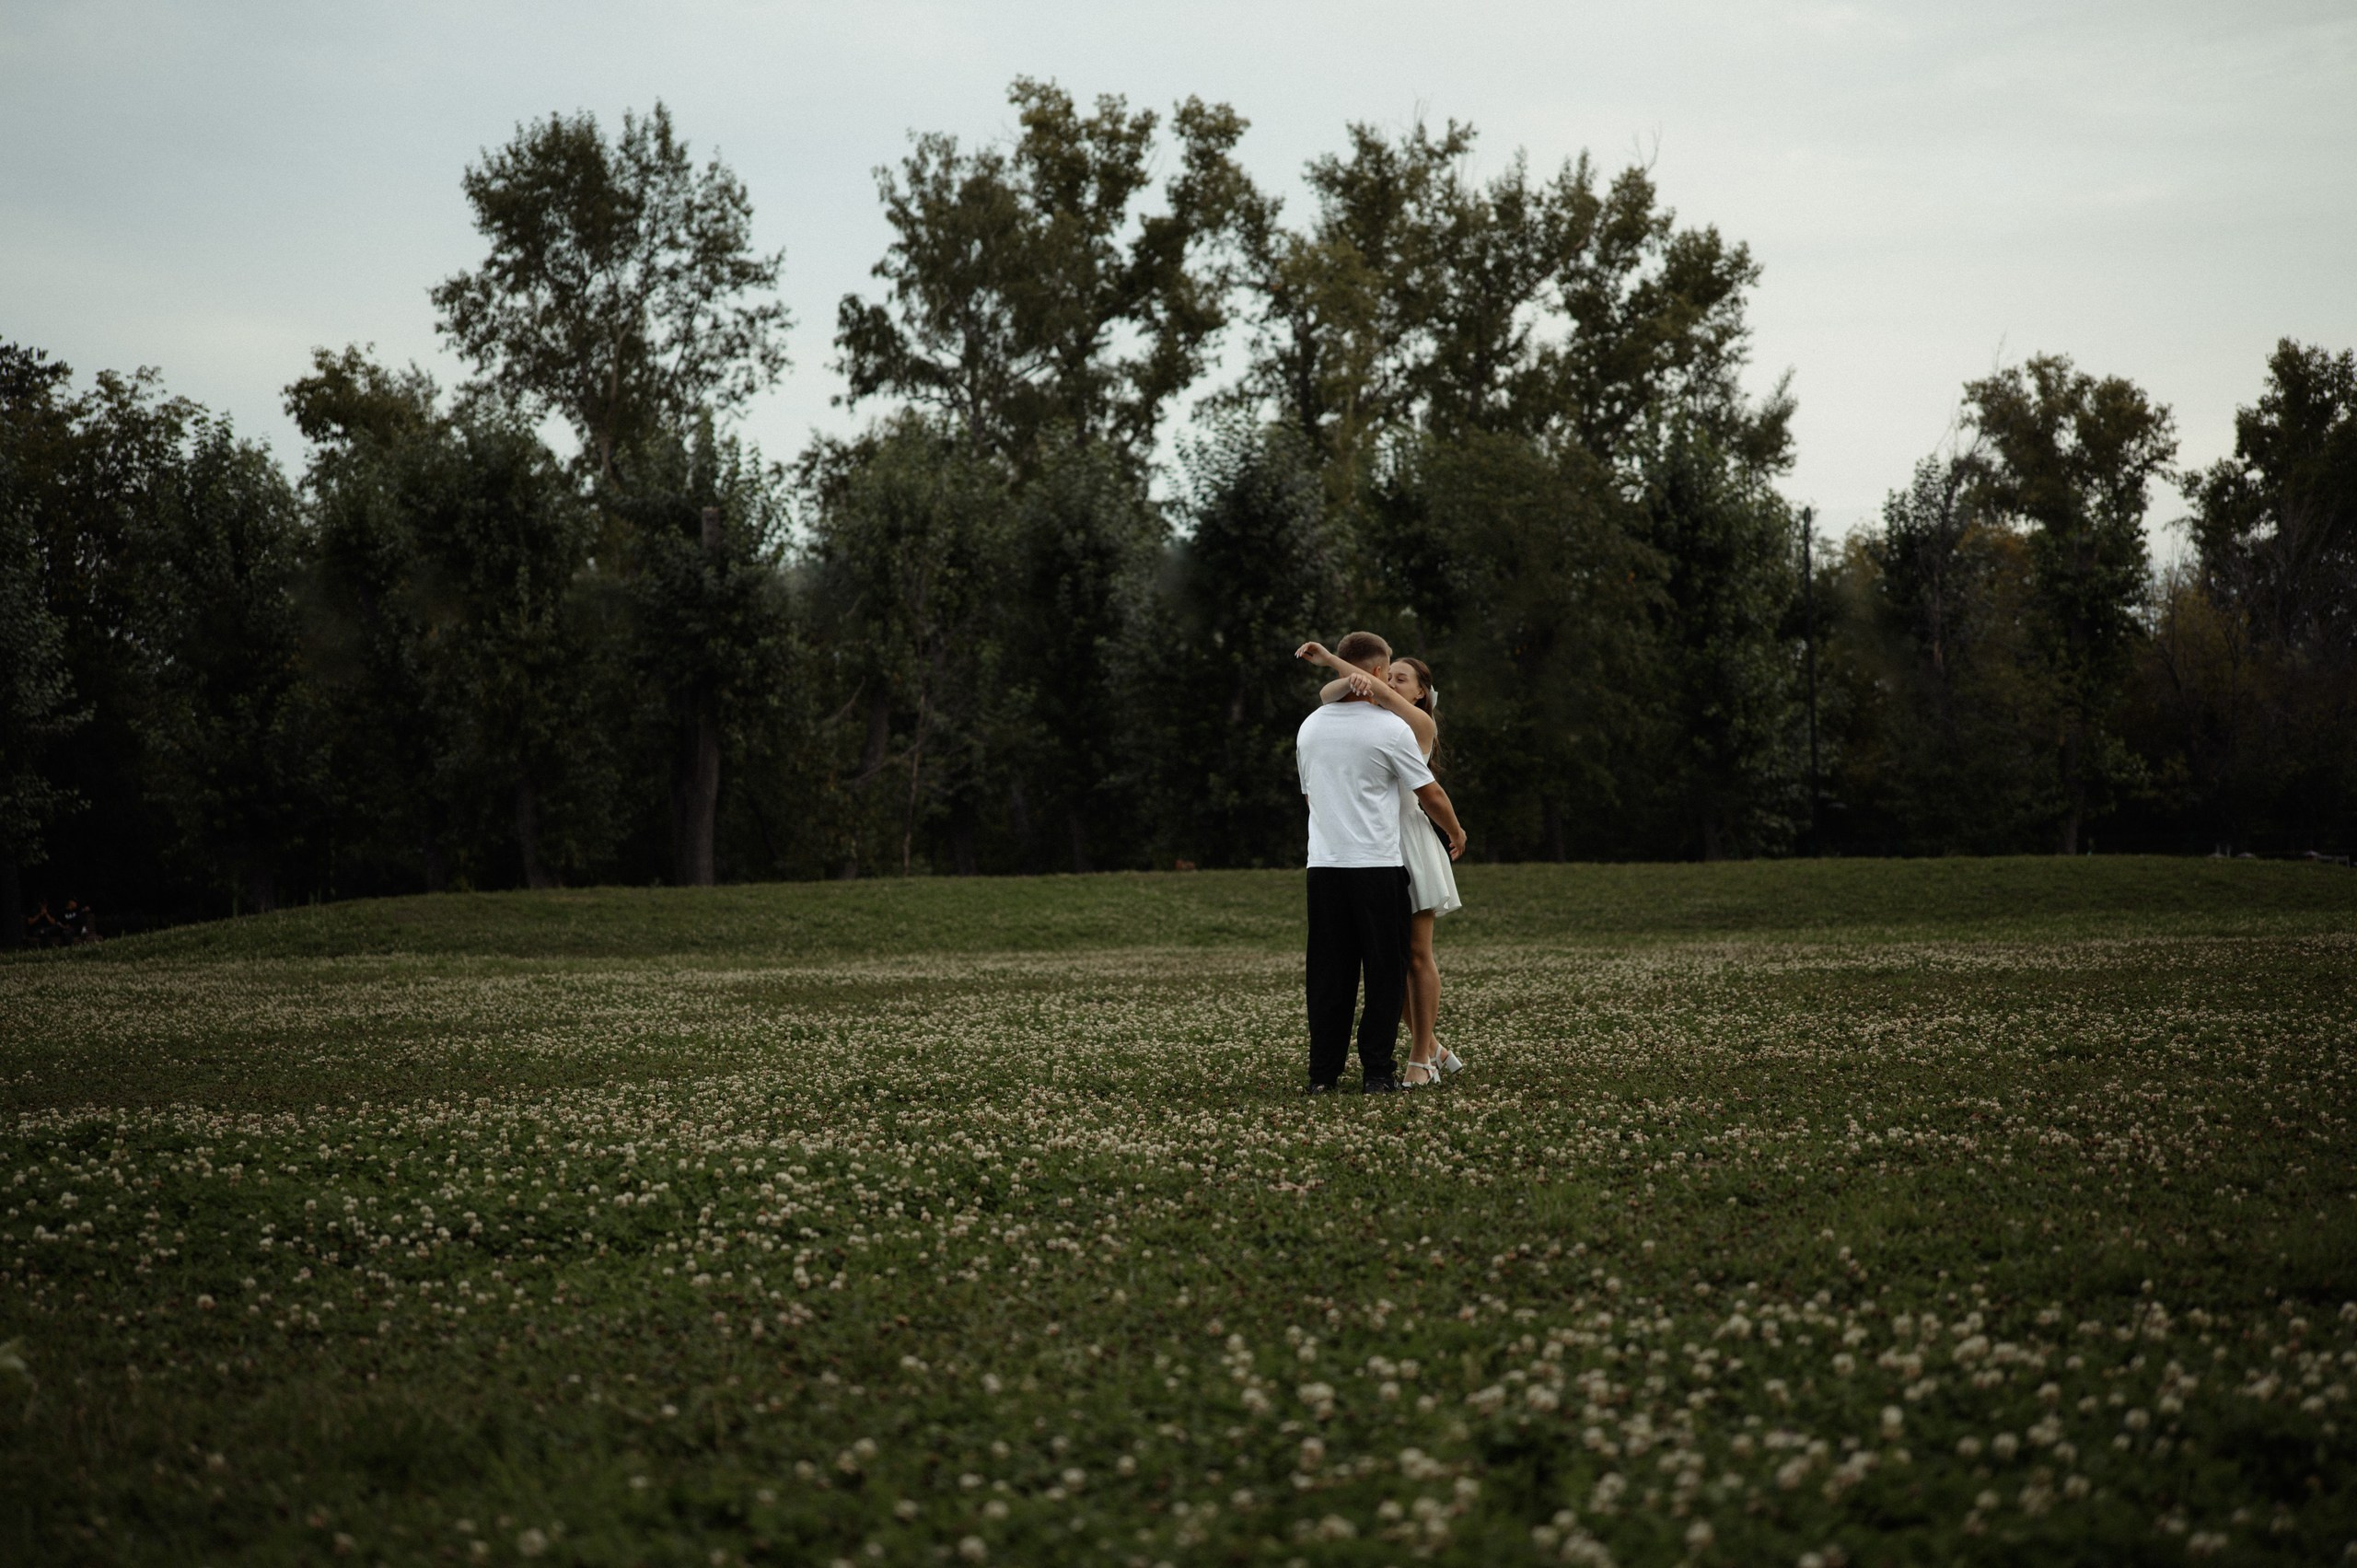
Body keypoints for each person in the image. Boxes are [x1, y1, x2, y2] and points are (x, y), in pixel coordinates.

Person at [1292, 632, 1467, 1094]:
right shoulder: (1384, 726)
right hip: (1380, 854)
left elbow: (1312, 796)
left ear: (1422, 693)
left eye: (1399, 679)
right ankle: (1386, 1067)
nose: (1389, 682)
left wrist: (1333, 662)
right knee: (1385, 969)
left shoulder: (1408, 724)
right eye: (1388, 674)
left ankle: (1396, 1058)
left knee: (1384, 962)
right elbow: (1335, 691)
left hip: (1359, 854)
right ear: (1374, 673)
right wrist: (1456, 831)